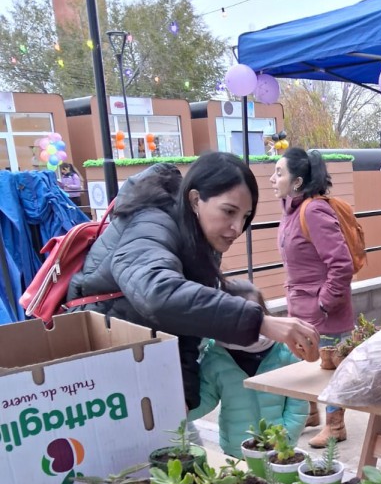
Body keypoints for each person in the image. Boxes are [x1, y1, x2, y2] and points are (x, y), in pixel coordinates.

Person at [68, 151, 319, 411]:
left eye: (245, 217)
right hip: (100, 379)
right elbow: (158, 295)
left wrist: (184, 397)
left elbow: (185, 324)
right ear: (195, 200)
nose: (236, 227)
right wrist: (260, 322)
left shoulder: (199, 241)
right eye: (229, 211)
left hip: (137, 370)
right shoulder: (152, 223)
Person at [270, 146, 354, 447]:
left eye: (279, 173)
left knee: (331, 370)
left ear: (297, 181)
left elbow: (341, 264)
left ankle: (336, 426)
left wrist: (323, 304)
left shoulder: (313, 210)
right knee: (307, 367)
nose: (272, 178)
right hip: (302, 308)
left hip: (324, 314)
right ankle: (311, 414)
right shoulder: (291, 210)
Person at [188, 287, 309, 456]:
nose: (244, 324)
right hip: (236, 451)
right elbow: (206, 398)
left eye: (249, 317)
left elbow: (298, 402)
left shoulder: (284, 351)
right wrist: (179, 411)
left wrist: (287, 436)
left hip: (278, 450)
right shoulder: (216, 356)